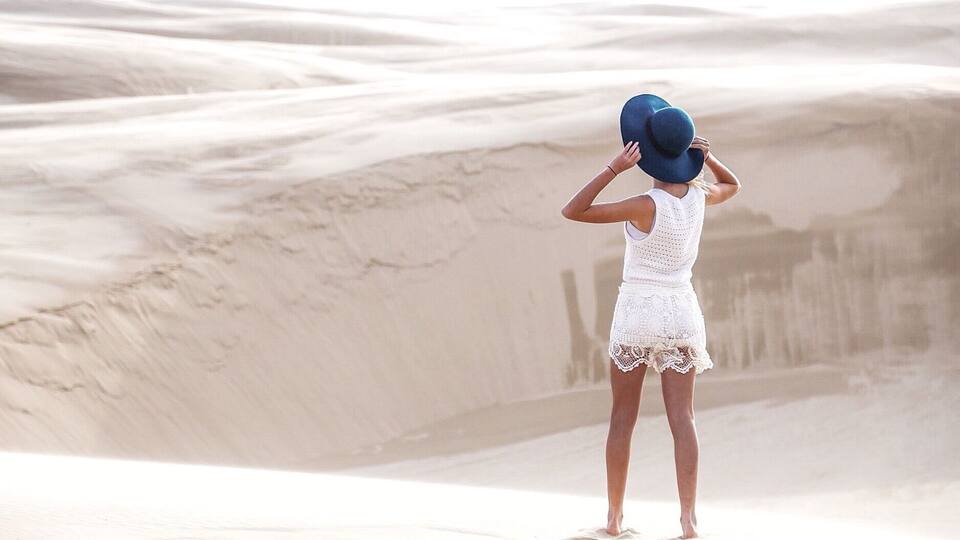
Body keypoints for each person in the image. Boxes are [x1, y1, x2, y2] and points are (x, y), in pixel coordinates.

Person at [560, 94, 741, 538]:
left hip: (638, 312)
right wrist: (708, 157)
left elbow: (573, 211)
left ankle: (614, 519)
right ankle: (688, 521)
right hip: (681, 311)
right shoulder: (699, 198)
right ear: (683, 155)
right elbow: (733, 185)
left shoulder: (645, 205)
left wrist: (612, 169)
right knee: (684, 419)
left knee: (623, 417)